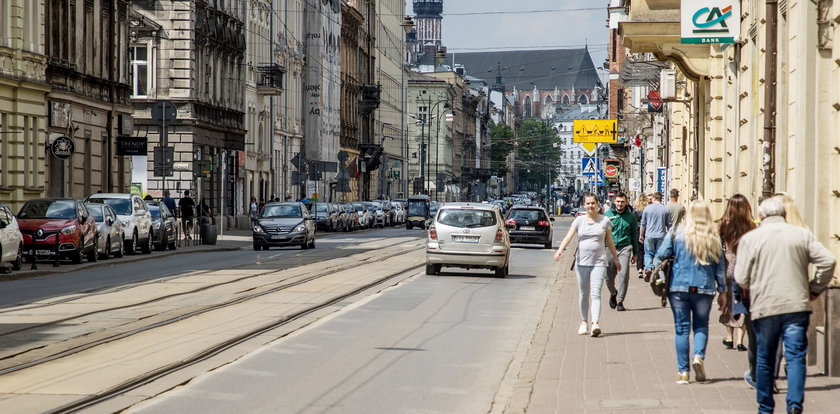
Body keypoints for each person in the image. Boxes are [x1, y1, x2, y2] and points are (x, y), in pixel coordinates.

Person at [735, 197, 836, 414]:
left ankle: (765, 407)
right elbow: (828, 261)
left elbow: (741, 277)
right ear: (784, 214)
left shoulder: (751, 239)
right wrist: (814, 288)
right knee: (796, 355)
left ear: (761, 216)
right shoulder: (800, 235)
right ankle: (794, 405)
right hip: (797, 305)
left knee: (765, 356)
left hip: (765, 306)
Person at [655, 199, 726, 385]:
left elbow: (661, 254)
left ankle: (683, 372)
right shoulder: (713, 236)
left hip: (678, 286)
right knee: (701, 325)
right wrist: (723, 290)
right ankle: (698, 357)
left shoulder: (676, 232)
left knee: (681, 329)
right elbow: (720, 266)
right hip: (704, 287)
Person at [554, 193, 621, 337]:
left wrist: (616, 259)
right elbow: (568, 236)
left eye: (593, 203)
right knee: (584, 294)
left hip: (599, 262)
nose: (591, 206)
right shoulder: (579, 221)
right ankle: (584, 322)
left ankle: (595, 324)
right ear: (584, 205)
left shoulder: (605, 221)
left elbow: (610, 242)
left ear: (598, 205)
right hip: (582, 262)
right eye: (588, 203)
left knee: (596, 293)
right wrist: (560, 250)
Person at [717, 194, 755, 353]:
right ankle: (740, 340)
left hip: (728, 265)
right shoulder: (751, 226)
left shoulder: (722, 225)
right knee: (744, 301)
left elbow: (718, 249)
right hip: (745, 266)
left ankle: (729, 338)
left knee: (728, 302)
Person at [605, 192, 639, 312]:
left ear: (626, 202)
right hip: (609, 248)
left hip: (625, 247)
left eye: (622, 202)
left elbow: (634, 235)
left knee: (623, 274)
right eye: (618, 201)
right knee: (608, 277)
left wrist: (635, 253)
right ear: (614, 202)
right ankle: (613, 293)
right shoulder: (607, 215)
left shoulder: (631, 217)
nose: (620, 204)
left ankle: (620, 300)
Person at [640, 192, 672, 281]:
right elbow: (669, 224)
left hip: (649, 235)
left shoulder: (647, 208)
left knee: (648, 254)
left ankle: (649, 268)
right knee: (658, 254)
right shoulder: (665, 209)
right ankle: (657, 271)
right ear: (661, 198)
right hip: (661, 235)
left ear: (653, 198)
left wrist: (641, 235)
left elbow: (643, 224)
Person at [633, 194, 650, 279]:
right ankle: (647, 268)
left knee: (639, 251)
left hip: (637, 231)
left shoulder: (635, 211)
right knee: (647, 251)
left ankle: (640, 269)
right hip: (647, 231)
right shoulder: (647, 210)